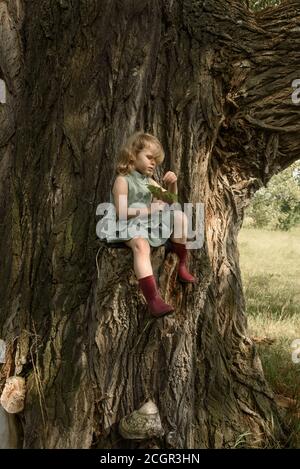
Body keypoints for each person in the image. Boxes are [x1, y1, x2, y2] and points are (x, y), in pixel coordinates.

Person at [99, 131, 197, 318]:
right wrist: (150, 210)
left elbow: (171, 201)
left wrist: (172, 185)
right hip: (124, 225)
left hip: (145, 223)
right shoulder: (123, 180)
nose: (153, 163)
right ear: (133, 155)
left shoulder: (148, 181)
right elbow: (121, 213)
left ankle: (182, 265)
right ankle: (153, 300)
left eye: (156, 160)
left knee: (180, 218)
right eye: (149, 157)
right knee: (141, 245)